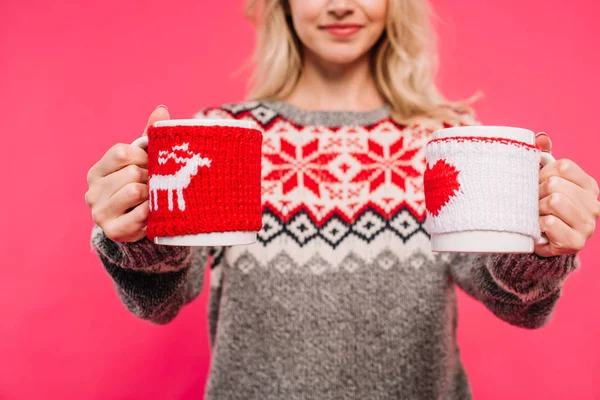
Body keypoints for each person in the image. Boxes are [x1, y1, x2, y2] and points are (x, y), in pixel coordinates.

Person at [85, 0, 600, 398]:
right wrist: (137, 234)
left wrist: (541, 248)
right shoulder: (223, 137)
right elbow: (162, 299)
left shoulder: (447, 139)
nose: (340, 4)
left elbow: (515, 301)